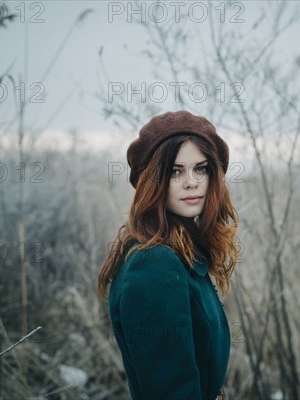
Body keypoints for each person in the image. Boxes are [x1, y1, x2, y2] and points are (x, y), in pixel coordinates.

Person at [97, 110, 240, 400]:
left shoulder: (182, 252)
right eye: (175, 171)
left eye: (201, 168)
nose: (191, 182)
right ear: (153, 181)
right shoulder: (154, 265)